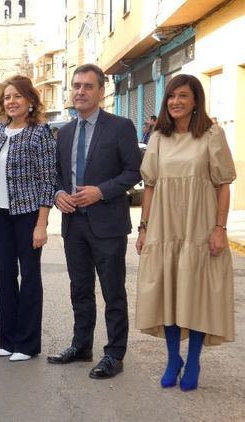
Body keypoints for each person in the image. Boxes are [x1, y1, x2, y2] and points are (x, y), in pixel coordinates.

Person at [135, 74, 236, 391]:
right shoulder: (158, 138)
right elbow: (150, 186)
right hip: (165, 229)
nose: (175, 101)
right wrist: (144, 228)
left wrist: (220, 229)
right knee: (167, 291)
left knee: (193, 294)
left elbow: (223, 186)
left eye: (183, 96)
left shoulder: (211, 134)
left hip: (199, 227)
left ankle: (192, 360)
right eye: (171, 96)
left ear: (195, 102)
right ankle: (172, 358)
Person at [48, 64, 142, 379]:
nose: (81, 91)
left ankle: (114, 353)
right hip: (73, 224)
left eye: (88, 86)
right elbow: (57, 175)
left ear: (101, 92)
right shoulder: (65, 132)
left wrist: (100, 192)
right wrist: (59, 193)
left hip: (108, 225)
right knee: (80, 289)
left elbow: (133, 172)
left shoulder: (120, 126)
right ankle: (81, 345)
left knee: (113, 290)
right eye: (76, 85)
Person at [0, 76, 56, 362]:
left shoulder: (40, 133)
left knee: (29, 277)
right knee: (4, 276)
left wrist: (42, 224)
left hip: (28, 215)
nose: (11, 102)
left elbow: (47, 180)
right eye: (6, 97)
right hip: (1, 214)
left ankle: (27, 344)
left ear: (29, 101)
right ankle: (8, 339)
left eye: (17, 96)